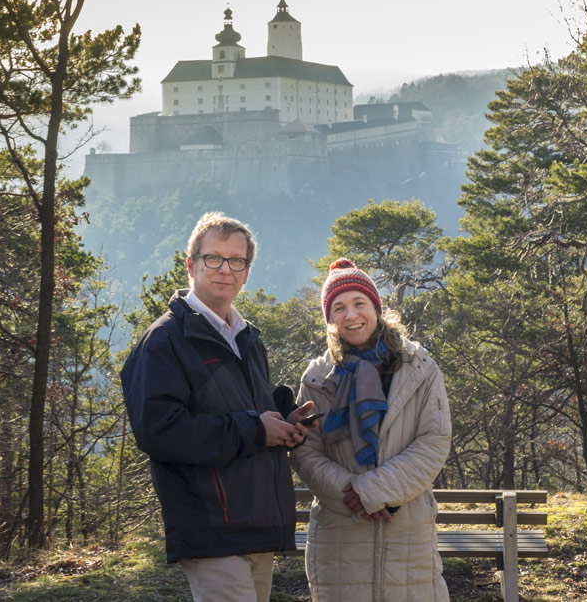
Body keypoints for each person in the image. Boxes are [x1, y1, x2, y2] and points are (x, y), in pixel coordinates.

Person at [120, 212, 316, 602]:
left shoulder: (247, 338)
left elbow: (246, 411)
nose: (225, 269)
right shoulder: (164, 341)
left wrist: (283, 422)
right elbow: (159, 431)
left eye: (236, 261)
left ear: (247, 273)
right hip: (212, 528)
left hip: (257, 524)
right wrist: (257, 430)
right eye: (214, 258)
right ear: (191, 265)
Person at [289, 258, 452, 602]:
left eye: (359, 303)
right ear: (329, 319)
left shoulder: (419, 368)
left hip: (408, 538)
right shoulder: (318, 378)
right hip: (339, 538)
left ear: (376, 308)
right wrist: (352, 493)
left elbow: (434, 441)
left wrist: (374, 489)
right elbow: (305, 451)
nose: (351, 315)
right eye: (339, 307)